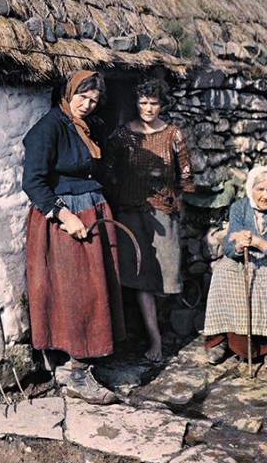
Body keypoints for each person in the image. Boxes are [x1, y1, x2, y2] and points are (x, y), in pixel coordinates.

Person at [22, 70, 125, 404]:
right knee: (77, 292)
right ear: (67, 94)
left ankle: (85, 360)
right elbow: (34, 182)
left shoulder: (87, 128)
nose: (87, 104)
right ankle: (75, 371)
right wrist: (65, 215)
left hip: (92, 211)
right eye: (81, 96)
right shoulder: (48, 128)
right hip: (65, 220)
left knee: (95, 290)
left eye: (93, 100)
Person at [106, 78, 194, 361]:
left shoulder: (173, 134)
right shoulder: (123, 135)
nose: (148, 108)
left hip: (163, 212)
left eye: (153, 103)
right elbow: (108, 169)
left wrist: (175, 199)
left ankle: (149, 324)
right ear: (136, 102)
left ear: (161, 104)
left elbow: (187, 175)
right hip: (131, 212)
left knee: (170, 278)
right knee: (142, 279)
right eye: (143, 102)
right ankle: (154, 338)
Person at [204, 165, 267, 369]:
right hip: (243, 260)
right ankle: (222, 338)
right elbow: (228, 247)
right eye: (260, 189)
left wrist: (260, 243)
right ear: (250, 189)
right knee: (222, 274)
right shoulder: (239, 208)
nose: (266, 195)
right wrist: (238, 244)